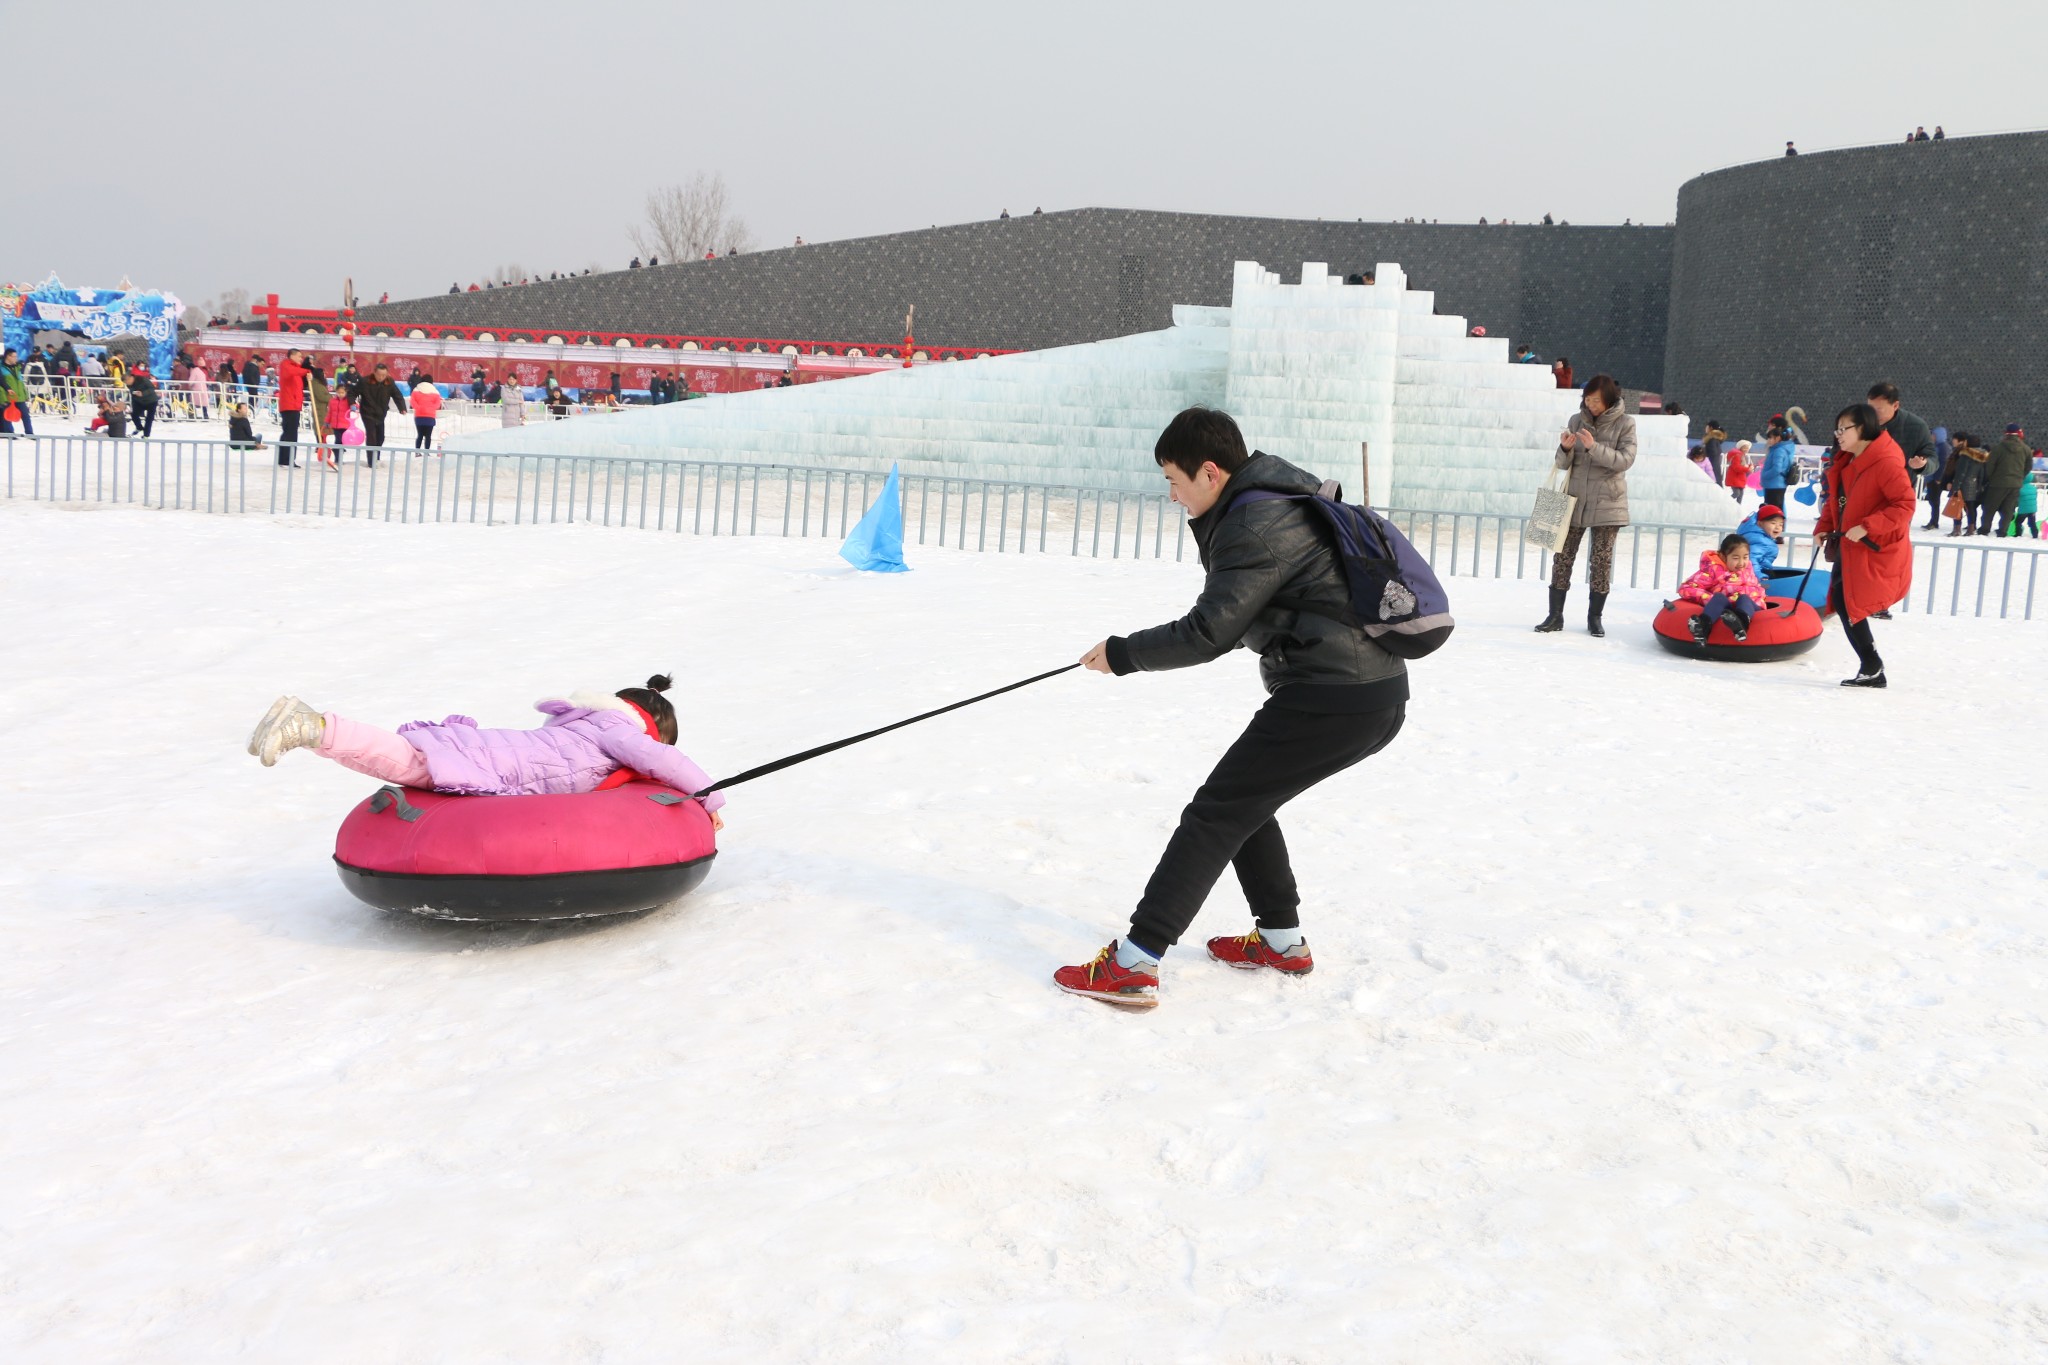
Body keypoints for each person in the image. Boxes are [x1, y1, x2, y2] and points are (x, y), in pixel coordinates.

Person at [1057, 408, 1408, 1008]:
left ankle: (1135, 963)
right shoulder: (1272, 501)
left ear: (1211, 472)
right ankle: (1280, 940)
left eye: (1174, 479)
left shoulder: (1257, 523)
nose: (1171, 494)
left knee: (1215, 813)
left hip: (1334, 696)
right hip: (1364, 692)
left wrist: (1122, 654)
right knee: (1244, 803)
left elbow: (1207, 633)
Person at [244, 675, 726, 831]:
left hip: (494, 751)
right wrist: (709, 799)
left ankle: (314, 728)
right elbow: (668, 765)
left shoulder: (582, 722)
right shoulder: (620, 731)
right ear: (649, 726)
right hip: (491, 761)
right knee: (405, 762)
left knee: (404, 761)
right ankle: (315, 727)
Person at [1815, 404, 1914, 688]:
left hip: (1870, 547)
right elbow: (1838, 502)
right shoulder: (1847, 460)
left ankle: (1871, 666)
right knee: (1844, 602)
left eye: (1844, 429)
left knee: (1850, 604)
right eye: (1838, 429)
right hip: (1849, 545)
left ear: (1864, 428)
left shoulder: (1884, 462)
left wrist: (1869, 526)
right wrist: (1824, 527)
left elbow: (1905, 505)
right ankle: (1871, 665)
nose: (1839, 435)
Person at [1535, 374, 1636, 638]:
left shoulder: (1626, 423)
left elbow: (1625, 460)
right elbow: (1563, 465)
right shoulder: (1575, 420)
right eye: (1588, 400)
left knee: (1600, 562)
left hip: (1608, 502)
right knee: (1562, 557)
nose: (1590, 405)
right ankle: (1555, 615)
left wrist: (1594, 447)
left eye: (1596, 401)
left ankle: (1595, 618)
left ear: (1609, 400)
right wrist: (1565, 449)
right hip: (1574, 498)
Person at [1677, 533, 1768, 643]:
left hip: (1751, 607)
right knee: (1719, 597)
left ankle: (1740, 625)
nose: (1741, 563)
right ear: (1723, 557)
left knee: (1744, 598)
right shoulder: (1713, 571)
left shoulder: (1748, 569)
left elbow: (1757, 588)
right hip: (1728, 610)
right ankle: (1703, 627)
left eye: (1745, 557)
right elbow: (1687, 588)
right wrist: (1709, 598)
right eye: (1735, 558)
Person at [1983, 424, 2032, 536]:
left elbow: (1990, 465)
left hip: (1997, 483)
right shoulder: (2026, 449)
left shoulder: (1998, 448)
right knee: (2008, 509)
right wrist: (2020, 477)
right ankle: (2003, 530)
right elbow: (2028, 467)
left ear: (2006, 433)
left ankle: (1985, 529)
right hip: (2016, 484)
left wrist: (1991, 478)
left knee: (1990, 507)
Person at [355, 362, 408, 464]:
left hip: (381, 413)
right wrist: (352, 402)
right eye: (379, 375)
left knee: (380, 437)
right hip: (367, 412)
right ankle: (371, 461)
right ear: (374, 373)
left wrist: (402, 408)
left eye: (384, 375)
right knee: (372, 437)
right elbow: (353, 392)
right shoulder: (365, 381)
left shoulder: (389, 382)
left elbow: (397, 395)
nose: (381, 377)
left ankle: (376, 457)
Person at [1944, 433, 1989, 535]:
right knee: (1971, 507)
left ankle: (1956, 529)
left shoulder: (1965, 456)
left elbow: (1961, 472)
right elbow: (1982, 473)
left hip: (1962, 484)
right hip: (1973, 484)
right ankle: (1970, 529)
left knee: (1957, 506)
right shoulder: (1982, 457)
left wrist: (1955, 486)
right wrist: (1979, 485)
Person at [274, 348, 308, 466]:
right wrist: (307, 371)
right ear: (292, 356)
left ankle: (285, 459)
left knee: (290, 432)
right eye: (299, 356)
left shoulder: (297, 369)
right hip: (289, 405)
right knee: (290, 433)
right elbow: (292, 372)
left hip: (294, 405)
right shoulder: (286, 365)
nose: (301, 359)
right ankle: (287, 459)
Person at [1737, 503, 1786, 577]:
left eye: (1781, 524)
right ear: (1760, 523)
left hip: (1760, 570)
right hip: (1756, 575)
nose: (1777, 527)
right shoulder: (1759, 540)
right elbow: (1751, 560)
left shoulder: (1763, 538)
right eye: (1773, 523)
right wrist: (1759, 576)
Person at [1922, 426, 1952, 529]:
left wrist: (1938, 478)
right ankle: (1933, 521)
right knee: (1932, 500)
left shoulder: (1942, 447)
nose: (1932, 437)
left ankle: (1934, 522)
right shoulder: (1936, 446)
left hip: (1935, 478)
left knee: (1934, 501)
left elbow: (1943, 463)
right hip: (1931, 477)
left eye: (1933, 435)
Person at [1761, 426, 1799, 508]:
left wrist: (1764, 476)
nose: (1769, 440)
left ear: (1778, 438)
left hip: (1774, 485)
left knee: (1773, 511)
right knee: (1775, 510)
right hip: (1776, 484)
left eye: (1771, 438)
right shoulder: (1779, 449)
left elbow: (1777, 468)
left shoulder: (1778, 450)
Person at [0, 348, 32, 436]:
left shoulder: (17, 367)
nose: (16, 358)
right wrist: (7, 390)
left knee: (25, 415)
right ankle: (10, 433)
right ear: (8, 356)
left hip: (19, 395)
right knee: (7, 415)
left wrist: (25, 394)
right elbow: (1, 380)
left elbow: (20, 382)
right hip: (7, 396)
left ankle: (30, 432)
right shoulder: (1, 368)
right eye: (14, 356)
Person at [410, 377, 442, 451]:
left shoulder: (416, 390)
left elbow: (412, 401)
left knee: (420, 435)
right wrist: (430, 408)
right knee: (428, 436)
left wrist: (418, 408)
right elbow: (437, 404)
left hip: (419, 416)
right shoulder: (435, 391)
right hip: (430, 416)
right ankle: (426, 451)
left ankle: (417, 451)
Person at [129, 364, 160, 438]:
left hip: (151, 401)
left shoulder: (146, 378)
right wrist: (134, 392)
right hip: (140, 401)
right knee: (134, 415)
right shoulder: (131, 379)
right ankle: (139, 427)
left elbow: (151, 389)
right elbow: (131, 389)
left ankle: (146, 435)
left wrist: (142, 393)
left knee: (149, 419)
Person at [2011, 464, 2039, 538]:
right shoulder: (2033, 488)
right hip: (2033, 509)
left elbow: (2016, 499)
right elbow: (2035, 496)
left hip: (2023, 510)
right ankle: (2035, 534)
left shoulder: (2020, 488)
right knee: (2032, 523)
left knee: (2018, 522)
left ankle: (2018, 534)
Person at [1699, 420, 1726, 486]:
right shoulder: (1715, 439)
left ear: (1710, 427)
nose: (1705, 428)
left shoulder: (1711, 440)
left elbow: (1712, 453)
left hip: (1711, 468)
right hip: (1715, 467)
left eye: (1707, 426)